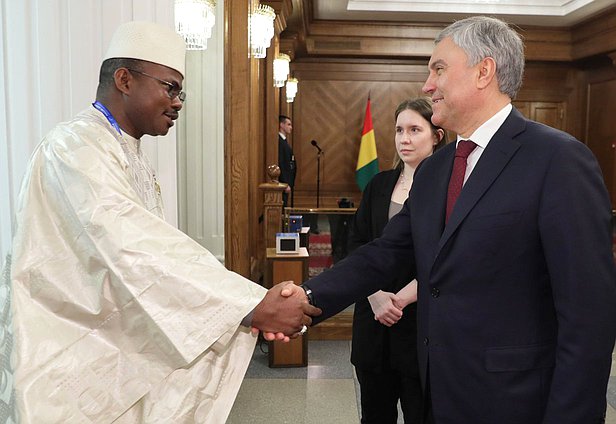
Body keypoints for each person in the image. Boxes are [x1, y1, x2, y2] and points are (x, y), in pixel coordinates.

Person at [295, 16, 616, 423]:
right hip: (437, 393)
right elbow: (389, 251)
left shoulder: (558, 160)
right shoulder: (435, 170)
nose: (427, 85)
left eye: (439, 68)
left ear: (484, 71)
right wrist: (307, 298)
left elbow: (588, 315)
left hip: (516, 403)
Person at [0, 21, 319, 423]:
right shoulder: (76, 147)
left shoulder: (124, 150)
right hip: (70, 355)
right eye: (170, 87)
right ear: (124, 80)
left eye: (180, 91)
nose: (179, 102)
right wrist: (249, 305)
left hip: (112, 351)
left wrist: (246, 306)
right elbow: (134, 248)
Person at [350, 97, 446, 423]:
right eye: (399, 130)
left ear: (437, 135)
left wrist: (401, 300)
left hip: (421, 322)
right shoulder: (378, 184)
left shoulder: (450, 190)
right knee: (375, 415)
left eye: (415, 130)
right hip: (373, 321)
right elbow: (357, 244)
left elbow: (449, 259)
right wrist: (375, 296)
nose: (404, 138)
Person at [278, 115, 296, 207]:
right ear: (281, 125)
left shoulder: (284, 141)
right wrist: (285, 183)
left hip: (288, 182)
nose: (291, 127)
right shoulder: (279, 142)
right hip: (283, 183)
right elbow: (281, 163)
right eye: (288, 124)